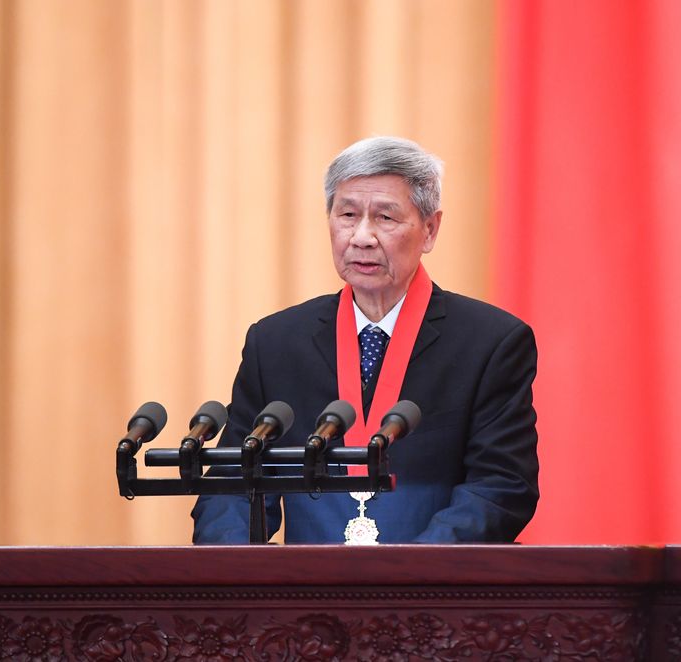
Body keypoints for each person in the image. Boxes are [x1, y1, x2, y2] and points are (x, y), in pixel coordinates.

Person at [192, 136, 538, 543]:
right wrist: (235, 566)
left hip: (430, 579)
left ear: (430, 230)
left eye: (385, 218)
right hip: (306, 582)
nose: (362, 237)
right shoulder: (275, 343)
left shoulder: (490, 343)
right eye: (348, 215)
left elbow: (499, 487)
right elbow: (233, 487)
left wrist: (408, 570)